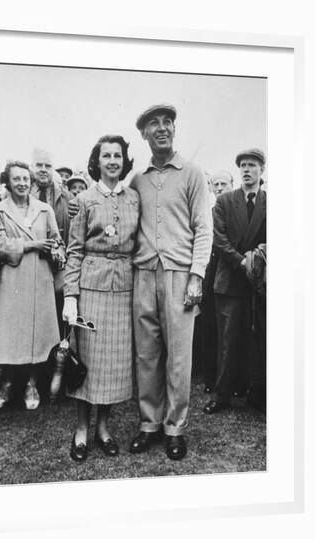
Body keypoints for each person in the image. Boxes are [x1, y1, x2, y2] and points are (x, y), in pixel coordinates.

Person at [128, 104, 212, 460]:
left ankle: (175, 427)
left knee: (179, 358)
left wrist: (196, 275)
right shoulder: (137, 179)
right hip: (144, 274)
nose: (161, 128)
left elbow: (203, 228)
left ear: (174, 130)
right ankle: (149, 424)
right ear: (144, 134)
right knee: (147, 355)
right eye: (153, 124)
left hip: (180, 275)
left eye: (167, 123)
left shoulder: (192, 173)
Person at [62, 135, 139, 462]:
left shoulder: (134, 198)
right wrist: (70, 296)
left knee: (113, 365)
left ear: (124, 161)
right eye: (106, 155)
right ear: (97, 160)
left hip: (123, 291)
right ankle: (82, 428)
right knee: (88, 364)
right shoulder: (85, 199)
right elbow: (74, 251)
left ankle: (103, 428)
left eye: (117, 156)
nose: (112, 161)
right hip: (91, 291)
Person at [0, 161, 64, 410]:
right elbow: (0, 246)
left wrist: (56, 251)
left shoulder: (44, 210)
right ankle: (8, 382)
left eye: (26, 179)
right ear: (8, 182)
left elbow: (57, 241)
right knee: (12, 333)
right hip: (13, 279)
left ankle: (32, 384)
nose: (22, 183)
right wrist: (32, 245)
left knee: (37, 334)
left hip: (41, 278)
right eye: (16, 179)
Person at [203, 148, 266, 414]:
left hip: (261, 281)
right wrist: (243, 262)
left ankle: (258, 393)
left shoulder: (270, 202)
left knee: (261, 338)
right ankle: (222, 394)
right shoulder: (225, 201)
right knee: (228, 341)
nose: (246, 169)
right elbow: (220, 239)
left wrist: (259, 259)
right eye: (242, 165)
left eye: (252, 165)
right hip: (230, 280)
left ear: (262, 170)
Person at [30, 149, 73, 330]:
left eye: (47, 166)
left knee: (55, 317)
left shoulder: (67, 197)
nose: (43, 169)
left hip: (59, 269)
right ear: (32, 167)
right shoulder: (22, 194)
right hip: (31, 265)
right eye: (39, 165)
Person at [201, 170, 234, 393]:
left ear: (232, 185)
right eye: (216, 184)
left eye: (224, 183)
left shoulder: (239, 211)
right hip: (210, 272)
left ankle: (231, 378)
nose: (220, 187)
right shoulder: (208, 213)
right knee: (209, 327)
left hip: (232, 273)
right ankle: (210, 377)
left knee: (231, 330)